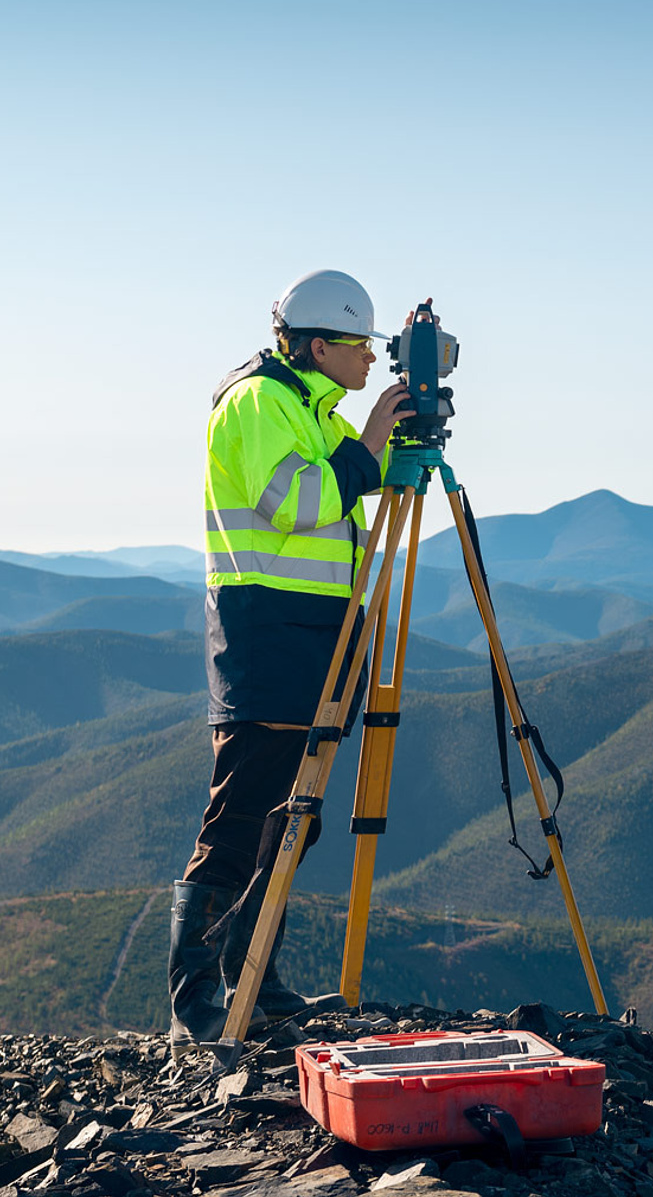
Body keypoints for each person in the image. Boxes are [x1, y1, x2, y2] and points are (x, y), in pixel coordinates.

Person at [168, 269, 410, 1047]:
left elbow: (360, 479)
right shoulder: (259, 401)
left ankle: (255, 979)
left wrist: (402, 439)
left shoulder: (310, 408)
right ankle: (195, 1003)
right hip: (267, 637)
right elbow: (297, 503)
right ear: (316, 345)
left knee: (292, 818)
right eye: (358, 344)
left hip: (315, 638)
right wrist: (368, 443)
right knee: (242, 817)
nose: (370, 358)